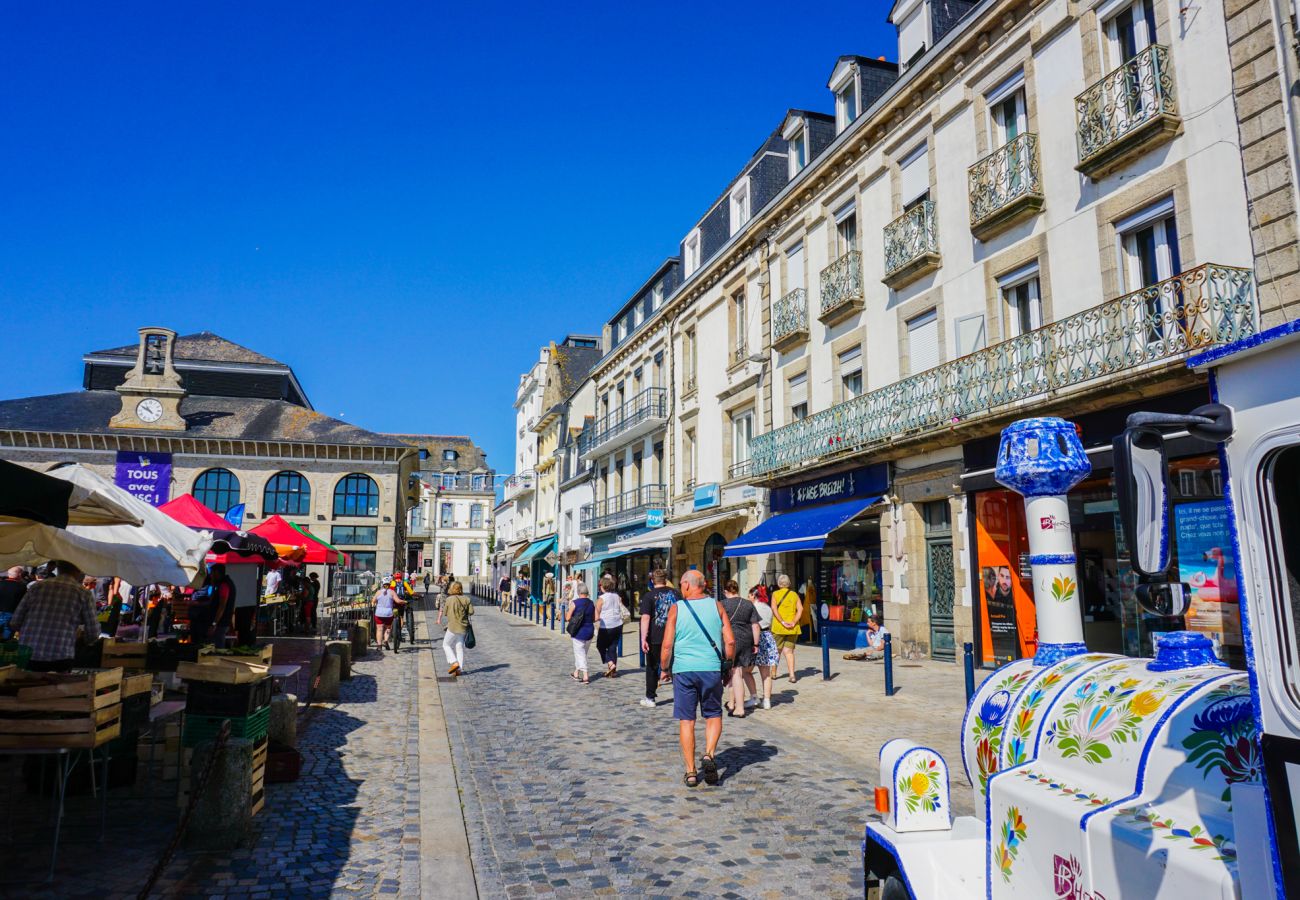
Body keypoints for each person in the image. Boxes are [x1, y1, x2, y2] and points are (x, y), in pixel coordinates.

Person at [661, 569, 735, 787]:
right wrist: (728, 665)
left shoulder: (677, 608)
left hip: (683, 670)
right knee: (713, 714)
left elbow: (667, 645)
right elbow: (729, 642)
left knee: (687, 720)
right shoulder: (717, 605)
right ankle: (709, 755)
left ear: (686, 585)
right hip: (711, 669)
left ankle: (691, 772)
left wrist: (664, 667)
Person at [11, 560, 101, 672]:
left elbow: (15, 622)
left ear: (57, 568)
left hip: (28, 654)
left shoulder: (36, 587)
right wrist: (82, 640)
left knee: (27, 688)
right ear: (79, 570)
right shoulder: (83, 593)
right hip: (60, 657)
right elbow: (93, 633)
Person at [638, 569, 679, 708]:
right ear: (666, 579)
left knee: (652, 667)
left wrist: (643, 638)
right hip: (675, 635)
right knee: (676, 666)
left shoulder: (649, 596)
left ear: (652, 581)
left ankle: (650, 697)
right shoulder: (676, 594)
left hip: (656, 636)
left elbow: (645, 618)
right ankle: (680, 696)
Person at [720, 580, 760, 717]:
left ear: (726, 591)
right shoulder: (748, 604)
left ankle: (739, 707)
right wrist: (756, 644)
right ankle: (732, 703)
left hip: (729, 640)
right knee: (737, 672)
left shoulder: (722, 604)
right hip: (746, 640)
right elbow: (755, 625)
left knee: (735, 673)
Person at [771, 574, 805, 685]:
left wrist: (782, 621)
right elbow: (800, 609)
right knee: (789, 652)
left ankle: (774, 673)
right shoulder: (794, 594)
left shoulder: (775, 594)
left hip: (779, 628)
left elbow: (774, 609)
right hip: (792, 628)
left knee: (776, 651)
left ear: (779, 584)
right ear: (789, 583)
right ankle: (792, 675)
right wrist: (794, 622)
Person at [436, 580, 474, 675]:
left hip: (453, 626)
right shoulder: (466, 599)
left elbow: (444, 613)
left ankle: (454, 662)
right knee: (459, 647)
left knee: (446, 645)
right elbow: (471, 612)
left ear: (452, 589)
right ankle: (459, 669)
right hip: (463, 626)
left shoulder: (449, 599)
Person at [750, 585, 778, 709]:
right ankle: (767, 700)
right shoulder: (767, 607)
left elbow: (753, 625)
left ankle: (753, 696)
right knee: (766, 673)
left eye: (750, 595)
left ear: (754, 595)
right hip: (768, 636)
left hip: (756, 637)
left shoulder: (753, 608)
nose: (748, 597)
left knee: (746, 671)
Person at [594, 574, 626, 678]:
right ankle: (613, 671)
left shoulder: (601, 599)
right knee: (612, 647)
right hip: (618, 624)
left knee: (600, 646)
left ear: (602, 587)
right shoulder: (617, 596)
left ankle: (610, 663)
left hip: (606, 626)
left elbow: (596, 615)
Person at [565, 580, 596, 684]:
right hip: (590, 631)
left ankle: (586, 676)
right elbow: (596, 617)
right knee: (582, 653)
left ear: (578, 592)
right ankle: (576, 673)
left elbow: (568, 617)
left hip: (578, 632)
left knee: (580, 654)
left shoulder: (575, 603)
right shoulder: (591, 603)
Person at [0, 565, 27, 640]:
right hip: (11, 613)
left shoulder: (0, 583)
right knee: (7, 635)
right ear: (19, 575)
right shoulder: (21, 587)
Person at [374, 580, 400, 649]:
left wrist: (377, 604)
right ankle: (385, 641)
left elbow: (373, 601)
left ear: (382, 584)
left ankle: (379, 646)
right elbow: (398, 601)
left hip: (379, 613)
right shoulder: (392, 592)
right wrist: (403, 601)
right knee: (388, 628)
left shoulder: (378, 592)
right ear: (389, 584)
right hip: (388, 614)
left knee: (379, 629)